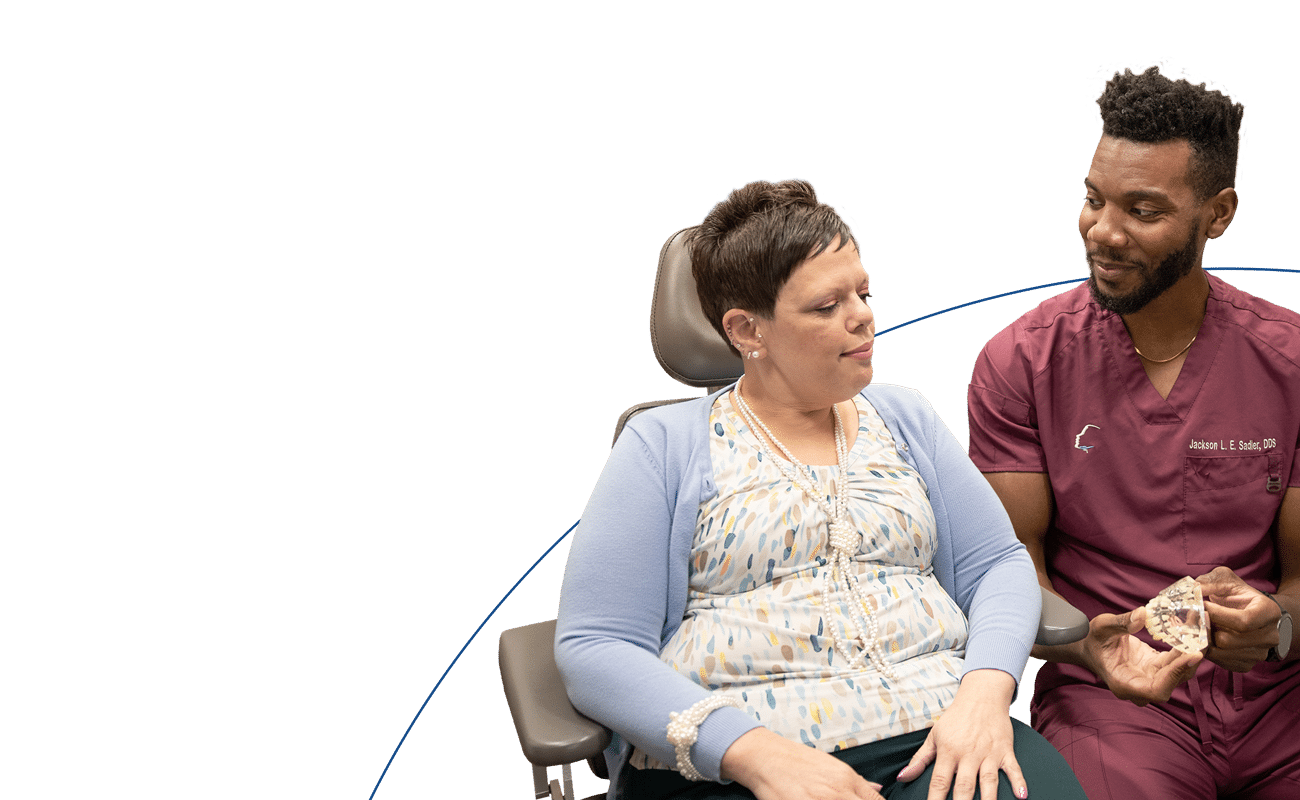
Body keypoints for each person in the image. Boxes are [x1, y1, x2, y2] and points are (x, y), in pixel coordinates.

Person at [556, 179, 1086, 800]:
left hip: (942, 731)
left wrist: (985, 694)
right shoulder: (662, 444)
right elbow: (596, 645)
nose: (862, 316)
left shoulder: (905, 416)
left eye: (862, 293)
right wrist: (752, 753)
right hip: (742, 759)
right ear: (747, 331)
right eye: (826, 306)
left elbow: (996, 563)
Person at [967, 64, 1300, 798]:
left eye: (1143, 211)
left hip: (1280, 704)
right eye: (1094, 200)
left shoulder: (1290, 363)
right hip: (1111, 704)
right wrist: (1087, 645)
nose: (1104, 232)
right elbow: (1006, 570)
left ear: (1218, 214)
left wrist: (1276, 625)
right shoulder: (1020, 363)